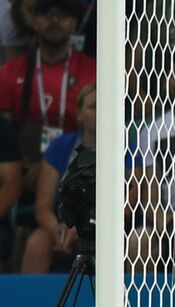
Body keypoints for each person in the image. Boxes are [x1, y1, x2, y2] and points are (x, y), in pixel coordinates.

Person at [0, 0, 96, 187]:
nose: (54, 21)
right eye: (46, 14)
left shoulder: (94, 72)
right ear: (33, 21)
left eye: (63, 15)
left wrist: (51, 165)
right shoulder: (10, 73)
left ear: (74, 23)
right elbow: (4, 133)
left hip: (78, 168)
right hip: (23, 169)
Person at [20, 80, 89, 273]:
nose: (99, 113)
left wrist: (80, 230)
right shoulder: (61, 146)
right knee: (37, 242)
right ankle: (31, 303)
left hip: (105, 228)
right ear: (80, 114)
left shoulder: (126, 149)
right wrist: (58, 229)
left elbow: (127, 206)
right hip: (62, 224)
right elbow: (42, 206)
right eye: (93, 107)